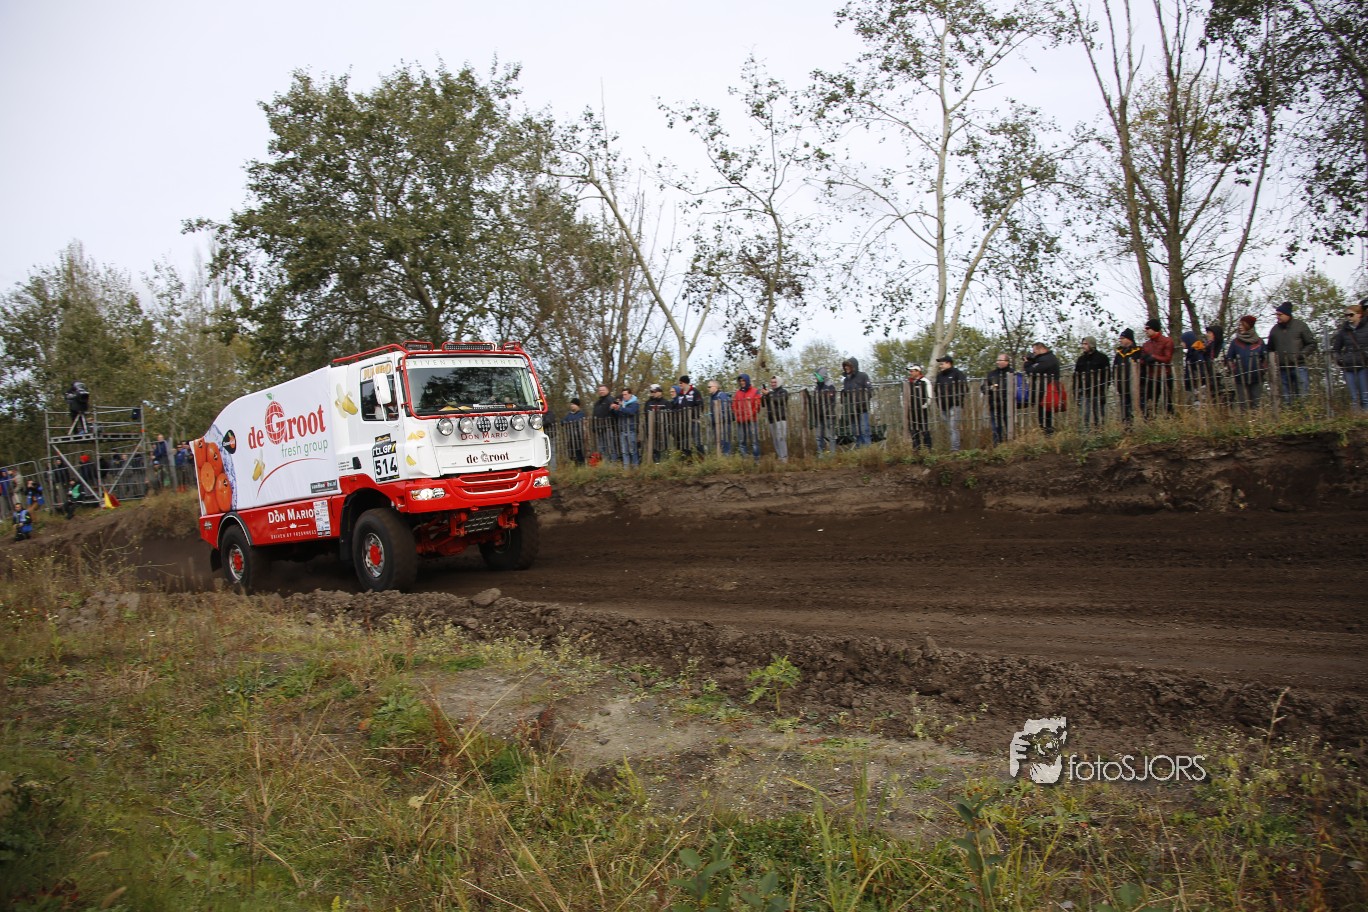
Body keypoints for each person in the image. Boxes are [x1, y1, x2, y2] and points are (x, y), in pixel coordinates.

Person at [1266, 301, 1317, 405]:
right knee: (1286, 398)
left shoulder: (1300, 326)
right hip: (1283, 368)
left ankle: (1304, 414)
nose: (1278, 317)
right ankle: (1289, 414)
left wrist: (1302, 355)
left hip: (1299, 366)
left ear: (1287, 314)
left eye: (1280, 314)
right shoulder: (1274, 330)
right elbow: (1270, 348)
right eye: (1277, 314)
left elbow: (1311, 344)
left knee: (1303, 396)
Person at [1331, 299, 1368, 412]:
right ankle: (1355, 417)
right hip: (1348, 365)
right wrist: (1339, 359)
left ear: (1359, 314)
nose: (1348, 317)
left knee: (1365, 395)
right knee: (1353, 397)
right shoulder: (1344, 331)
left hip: (1363, 364)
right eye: (1346, 315)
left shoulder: (1366, 328)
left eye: (1350, 315)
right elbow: (1336, 348)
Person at [1226, 314, 1267, 410]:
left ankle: (1255, 420)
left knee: (1256, 405)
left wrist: (1262, 369)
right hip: (1240, 379)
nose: (1240, 327)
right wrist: (1234, 370)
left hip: (1257, 378)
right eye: (1239, 325)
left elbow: (1266, 358)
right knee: (1243, 406)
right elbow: (1229, 358)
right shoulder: (1235, 342)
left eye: (1242, 325)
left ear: (1249, 326)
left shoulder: (1259, 342)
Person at [1023, 341, 1061, 435]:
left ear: (1041, 349)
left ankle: (1049, 435)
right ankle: (1048, 434)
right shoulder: (1048, 358)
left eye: (1035, 352)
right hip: (1047, 391)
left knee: (1045, 417)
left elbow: (1031, 371)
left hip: (1046, 392)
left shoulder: (1046, 360)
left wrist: (1027, 363)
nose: (1034, 354)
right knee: (1045, 416)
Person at [1139, 318, 1174, 416]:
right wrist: (1144, 360)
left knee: (1168, 402)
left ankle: (1170, 420)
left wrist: (1153, 357)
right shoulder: (1146, 345)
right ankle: (1151, 421)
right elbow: (1142, 359)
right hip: (1151, 377)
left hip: (1165, 376)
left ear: (1154, 328)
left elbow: (1167, 358)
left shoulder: (1167, 341)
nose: (1146, 330)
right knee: (1150, 403)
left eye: (1148, 328)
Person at [1073, 338, 1110, 430]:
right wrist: (1076, 391)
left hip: (1098, 392)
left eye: (1085, 344)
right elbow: (1076, 376)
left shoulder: (1102, 358)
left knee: (1099, 416)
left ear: (1091, 345)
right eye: (1083, 344)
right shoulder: (1081, 360)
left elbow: (1107, 375)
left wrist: (1103, 390)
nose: (1083, 346)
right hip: (1084, 392)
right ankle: (1085, 435)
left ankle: (1100, 433)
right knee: (1084, 416)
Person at [934, 355, 968, 451]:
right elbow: (936, 389)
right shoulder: (939, 376)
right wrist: (938, 402)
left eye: (942, 364)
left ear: (949, 363)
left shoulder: (957, 373)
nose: (940, 366)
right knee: (949, 427)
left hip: (955, 405)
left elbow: (965, 387)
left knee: (953, 426)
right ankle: (953, 446)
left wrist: (957, 398)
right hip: (943, 405)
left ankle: (955, 449)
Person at [839, 357, 874, 447]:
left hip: (862, 408)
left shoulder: (863, 376)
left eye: (848, 366)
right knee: (855, 431)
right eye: (845, 366)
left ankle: (868, 449)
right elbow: (846, 393)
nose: (846, 367)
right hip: (851, 410)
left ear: (853, 366)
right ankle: (859, 448)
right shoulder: (846, 380)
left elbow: (870, 390)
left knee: (865, 429)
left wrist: (863, 400)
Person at [1113, 329, 1144, 426]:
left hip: (1136, 387)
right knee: (1125, 411)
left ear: (1129, 339)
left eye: (1123, 338)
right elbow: (1114, 368)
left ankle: (1142, 427)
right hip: (1123, 387)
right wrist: (1116, 382)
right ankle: (1127, 429)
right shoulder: (1119, 354)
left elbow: (1142, 367)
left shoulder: (1138, 352)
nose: (1120, 340)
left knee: (1138, 408)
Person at [730, 374, 763, 462]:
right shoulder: (737, 393)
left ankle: (756, 460)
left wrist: (750, 415)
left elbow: (757, 405)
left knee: (754, 441)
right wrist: (738, 415)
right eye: (740, 381)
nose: (742, 382)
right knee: (742, 441)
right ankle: (745, 461)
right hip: (740, 421)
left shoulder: (755, 391)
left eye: (743, 380)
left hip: (752, 420)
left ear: (747, 381)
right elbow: (734, 405)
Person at [981, 355, 1012, 445]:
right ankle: (997, 446)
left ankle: (1011, 444)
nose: (997, 362)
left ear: (1006, 361)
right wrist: (990, 388)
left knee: (1010, 427)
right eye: (997, 360)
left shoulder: (1012, 373)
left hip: (1008, 405)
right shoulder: (991, 374)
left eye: (1000, 360)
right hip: (994, 404)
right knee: (996, 428)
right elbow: (983, 388)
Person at [673, 375, 705, 458]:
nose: (680, 385)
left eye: (681, 383)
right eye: (679, 383)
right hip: (683, 422)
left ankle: (701, 459)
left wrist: (692, 413)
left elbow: (700, 405)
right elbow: (677, 406)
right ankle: (688, 460)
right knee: (685, 442)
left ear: (685, 383)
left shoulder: (695, 392)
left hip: (693, 420)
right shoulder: (680, 394)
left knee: (697, 441)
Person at [642, 384, 675, 462]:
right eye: (651, 391)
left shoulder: (666, 402)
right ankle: (656, 463)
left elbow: (670, 416)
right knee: (654, 448)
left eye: (654, 391)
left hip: (663, 430)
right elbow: (646, 415)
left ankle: (665, 463)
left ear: (660, 392)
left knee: (664, 447)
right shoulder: (648, 403)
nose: (652, 393)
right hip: (651, 430)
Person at [1180, 330, 1213, 407]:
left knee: (1199, 403)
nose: (1181, 344)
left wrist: (1199, 380)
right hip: (1193, 383)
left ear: (1188, 341)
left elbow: (1200, 368)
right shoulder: (1191, 352)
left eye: (1183, 341)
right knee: (1195, 404)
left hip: (1197, 383)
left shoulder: (1196, 352)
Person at [761, 376, 790, 462]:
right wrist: (764, 396)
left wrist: (768, 394)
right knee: (775, 440)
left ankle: (784, 458)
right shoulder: (771, 393)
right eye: (772, 382)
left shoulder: (783, 392)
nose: (773, 384)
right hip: (771, 419)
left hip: (780, 419)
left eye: (775, 382)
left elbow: (779, 401)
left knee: (781, 438)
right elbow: (763, 404)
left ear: (779, 382)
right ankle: (780, 457)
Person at [810, 369, 838, 456]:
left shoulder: (830, 386)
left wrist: (825, 410)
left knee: (831, 436)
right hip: (819, 416)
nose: (815, 378)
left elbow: (831, 400)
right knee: (818, 436)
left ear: (822, 376)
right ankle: (820, 454)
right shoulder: (817, 388)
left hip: (829, 415)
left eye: (817, 376)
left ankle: (832, 454)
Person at [906, 365, 934, 449]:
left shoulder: (925, 381)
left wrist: (925, 405)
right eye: (910, 371)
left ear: (918, 371)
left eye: (912, 371)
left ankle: (928, 449)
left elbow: (929, 396)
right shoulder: (909, 382)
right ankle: (916, 449)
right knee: (913, 430)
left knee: (924, 429)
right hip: (911, 410)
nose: (910, 373)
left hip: (922, 410)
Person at [591, 385, 619, 463]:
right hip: (599, 428)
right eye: (600, 390)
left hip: (608, 427)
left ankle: (613, 463)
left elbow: (615, 412)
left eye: (603, 390)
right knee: (602, 448)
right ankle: (605, 463)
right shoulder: (597, 403)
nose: (601, 391)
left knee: (611, 447)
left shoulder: (611, 400)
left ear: (607, 390)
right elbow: (594, 415)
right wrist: (594, 426)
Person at [614, 387, 640, 466]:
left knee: (633, 450)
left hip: (631, 430)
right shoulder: (622, 404)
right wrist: (614, 408)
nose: (624, 396)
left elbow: (631, 412)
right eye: (623, 395)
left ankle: (635, 468)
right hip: (623, 430)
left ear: (630, 394)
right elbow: (618, 415)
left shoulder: (635, 403)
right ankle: (626, 469)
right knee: (624, 451)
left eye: (625, 394)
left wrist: (620, 408)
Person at [706, 380, 733, 455]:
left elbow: (725, 410)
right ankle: (721, 458)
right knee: (719, 443)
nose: (708, 388)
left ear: (715, 387)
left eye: (709, 387)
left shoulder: (722, 395)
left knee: (725, 442)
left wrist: (720, 420)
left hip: (723, 423)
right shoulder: (712, 397)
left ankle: (727, 458)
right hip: (716, 424)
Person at [561, 398, 587, 465]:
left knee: (580, 452)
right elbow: (562, 422)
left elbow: (580, 422)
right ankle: (577, 465)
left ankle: (582, 465)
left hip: (580, 437)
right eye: (571, 404)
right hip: (571, 437)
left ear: (577, 405)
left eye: (573, 404)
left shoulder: (581, 414)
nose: (572, 405)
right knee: (573, 453)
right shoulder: (569, 414)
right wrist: (565, 422)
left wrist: (571, 423)